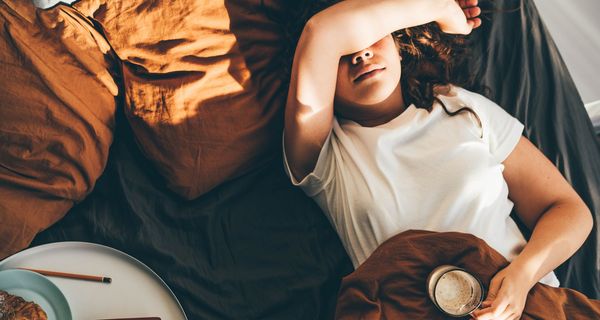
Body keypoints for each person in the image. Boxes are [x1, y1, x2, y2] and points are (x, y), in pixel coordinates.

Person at [282, 0, 594, 319]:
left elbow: (568, 210)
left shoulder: (460, 107)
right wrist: (442, 9)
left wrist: (522, 276)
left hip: (528, 301)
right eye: (341, 54)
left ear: (398, 44)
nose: (360, 54)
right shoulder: (325, 156)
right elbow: (321, 32)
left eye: (373, 36)